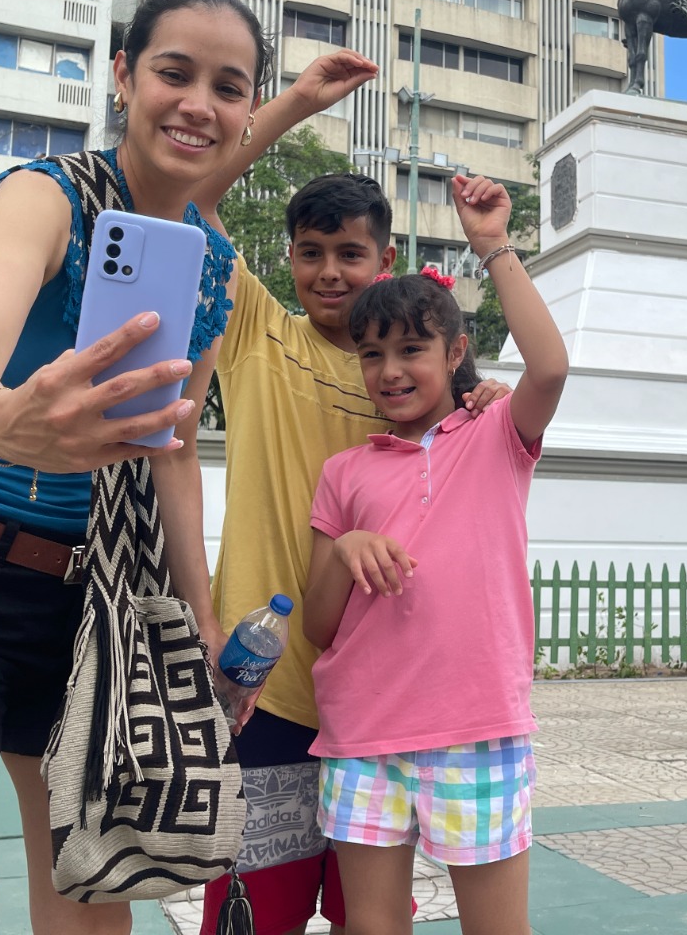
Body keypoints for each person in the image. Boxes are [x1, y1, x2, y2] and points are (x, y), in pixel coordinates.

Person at [0, 0, 364, 935]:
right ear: (123, 75)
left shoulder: (211, 265)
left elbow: (176, 453)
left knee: (88, 922)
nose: (199, 102)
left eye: (229, 87)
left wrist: (195, 631)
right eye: (173, 72)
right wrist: (1, 420)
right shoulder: (47, 197)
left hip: (95, 616)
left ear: (243, 109)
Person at [191, 170, 506, 934]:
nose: (329, 271)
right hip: (263, 688)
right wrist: (299, 101)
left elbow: (492, 437)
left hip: (376, 703)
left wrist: (487, 396)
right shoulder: (258, 335)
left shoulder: (411, 376)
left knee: (369, 916)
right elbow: (194, 198)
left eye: (351, 253)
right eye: (311, 252)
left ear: (387, 258)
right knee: (251, 911)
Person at [301, 175, 568, 935]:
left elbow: (549, 368)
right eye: (372, 354)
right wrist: (345, 548)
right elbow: (319, 625)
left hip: (476, 726)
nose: (389, 372)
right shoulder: (344, 472)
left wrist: (492, 246)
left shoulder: (496, 437)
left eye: (412, 350)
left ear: (455, 351)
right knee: (373, 927)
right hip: (361, 735)